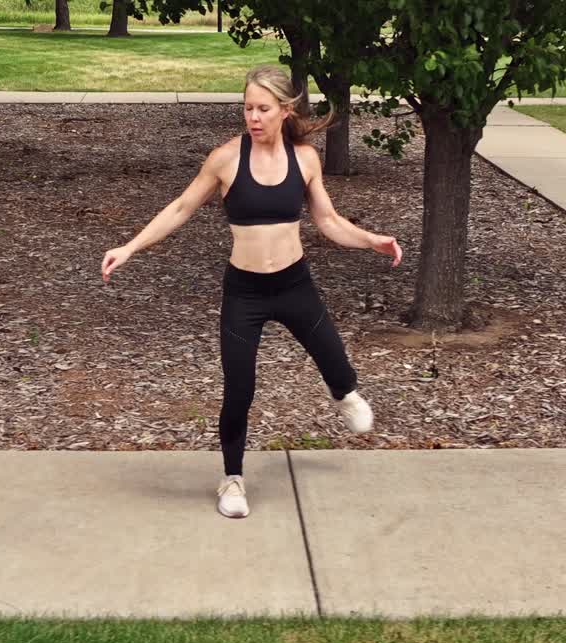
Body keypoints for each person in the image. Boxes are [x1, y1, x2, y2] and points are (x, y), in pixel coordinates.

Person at [101, 65, 402, 519]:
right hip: (244, 292)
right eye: (247, 108)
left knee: (337, 365)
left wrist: (371, 240)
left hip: (294, 284)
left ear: (285, 110)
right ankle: (233, 479)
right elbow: (181, 207)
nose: (254, 117)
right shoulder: (225, 159)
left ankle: (344, 395)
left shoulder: (304, 159)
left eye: (263, 109)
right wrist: (130, 246)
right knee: (239, 388)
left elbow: (328, 221)